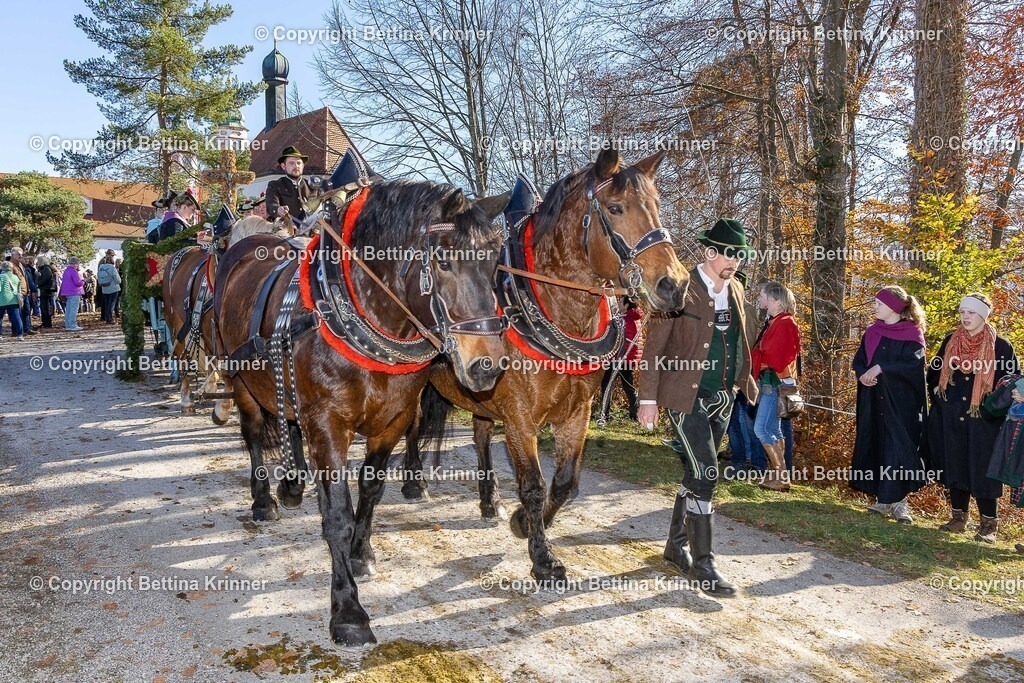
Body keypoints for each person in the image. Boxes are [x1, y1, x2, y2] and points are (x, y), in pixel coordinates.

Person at [638, 217, 758, 598]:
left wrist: (741, 382)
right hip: (683, 396)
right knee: (707, 472)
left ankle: (676, 546)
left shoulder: (737, 288)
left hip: (723, 398)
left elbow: (741, 339)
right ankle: (704, 565)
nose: (734, 262)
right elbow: (653, 347)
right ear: (709, 252)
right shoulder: (679, 288)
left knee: (694, 471)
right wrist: (647, 398)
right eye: (728, 254)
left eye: (740, 256)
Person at [928, 293, 1019, 542]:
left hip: (984, 421)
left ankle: (989, 526)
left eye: (971, 313)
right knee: (954, 463)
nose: (965, 317)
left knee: (983, 470)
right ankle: (958, 518)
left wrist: (991, 409)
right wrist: (941, 399)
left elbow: (1011, 382)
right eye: (962, 312)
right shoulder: (950, 340)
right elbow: (934, 373)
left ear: (984, 315)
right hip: (951, 416)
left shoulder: (1001, 346)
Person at [850, 286, 929, 523]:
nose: (874, 307)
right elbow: (860, 361)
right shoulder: (872, 332)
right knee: (876, 443)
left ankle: (899, 503)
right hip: (873, 399)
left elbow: (913, 366)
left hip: (901, 403)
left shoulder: (912, 334)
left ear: (893, 308)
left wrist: (881, 368)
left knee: (898, 449)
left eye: (879, 304)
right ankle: (882, 500)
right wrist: (863, 375)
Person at [749, 282, 801, 491]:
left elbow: (778, 356)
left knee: (761, 429)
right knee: (773, 429)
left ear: (777, 301)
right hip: (771, 382)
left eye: (764, 297)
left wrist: (758, 356)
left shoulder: (785, 323)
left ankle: (781, 476)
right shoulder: (775, 321)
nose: (761, 300)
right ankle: (779, 474)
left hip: (775, 383)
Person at [725, 273, 762, 475]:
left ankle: (746, 459)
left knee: (742, 419)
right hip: (726, 371)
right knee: (732, 420)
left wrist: (739, 373)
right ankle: (736, 455)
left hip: (740, 373)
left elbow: (746, 342)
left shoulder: (746, 310)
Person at [598, 301, 644, 422]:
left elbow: (617, 339)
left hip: (619, 358)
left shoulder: (624, 319)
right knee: (629, 387)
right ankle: (635, 414)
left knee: (607, 385)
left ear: (626, 305)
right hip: (629, 358)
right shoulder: (635, 318)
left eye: (620, 302)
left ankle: (604, 414)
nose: (617, 304)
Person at [265, 146, 312, 226]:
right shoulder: (275, 185)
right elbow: (271, 205)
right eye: (291, 163)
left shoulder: (312, 186)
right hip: (285, 229)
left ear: (303, 166)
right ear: (283, 166)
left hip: (312, 229)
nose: (296, 166)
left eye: (299, 163)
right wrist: (278, 210)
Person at [59, 257, 85, 331]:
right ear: (75, 263)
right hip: (74, 291)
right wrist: (83, 281)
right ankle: (72, 325)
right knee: (74, 309)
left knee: (68, 309)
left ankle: (68, 324)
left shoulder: (66, 270)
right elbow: (77, 282)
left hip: (67, 292)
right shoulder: (73, 271)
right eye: (77, 264)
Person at [0, 260, 24, 339]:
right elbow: (19, 289)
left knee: (0, 318)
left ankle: (0, 334)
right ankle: (20, 334)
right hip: (14, 299)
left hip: (2, 300)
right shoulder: (15, 277)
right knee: (16, 317)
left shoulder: (1, 277)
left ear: (2, 267)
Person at [97, 256, 122, 324]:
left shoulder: (101, 268)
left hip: (104, 288)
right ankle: (109, 319)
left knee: (107, 303)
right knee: (111, 304)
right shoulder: (112, 268)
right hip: (113, 288)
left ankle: (106, 317)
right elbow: (118, 280)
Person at [35, 255, 57, 328]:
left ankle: (47, 323)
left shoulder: (46, 268)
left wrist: (38, 283)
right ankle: (44, 322)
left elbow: (46, 278)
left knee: (45, 307)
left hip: (46, 290)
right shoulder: (42, 268)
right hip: (43, 289)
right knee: (43, 306)